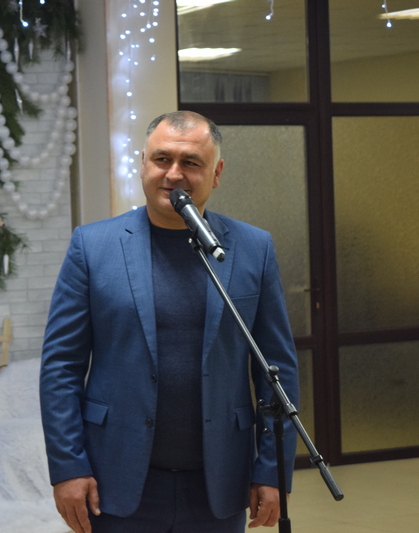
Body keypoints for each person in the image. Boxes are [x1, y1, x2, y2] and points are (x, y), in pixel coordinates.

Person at [39, 111, 300, 532]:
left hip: (219, 483)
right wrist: (68, 467)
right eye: (162, 159)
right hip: (115, 479)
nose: (174, 174)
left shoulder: (253, 248)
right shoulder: (92, 246)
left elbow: (277, 369)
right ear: (143, 163)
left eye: (191, 162)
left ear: (216, 173)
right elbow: (61, 368)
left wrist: (272, 470)